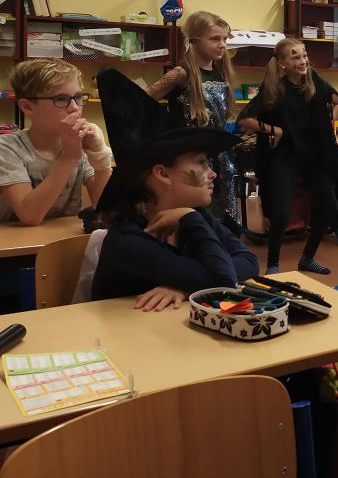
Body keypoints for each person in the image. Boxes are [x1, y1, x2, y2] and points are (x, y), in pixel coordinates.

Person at [89, 69, 258, 305]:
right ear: (163, 174)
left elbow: (249, 261)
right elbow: (222, 279)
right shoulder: (128, 239)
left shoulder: (195, 214)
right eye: (201, 163)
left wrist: (185, 285)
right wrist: (198, 279)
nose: (213, 173)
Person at [237, 39, 338, 275]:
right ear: (282, 63)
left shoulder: (314, 81)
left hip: (314, 155)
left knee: (329, 205)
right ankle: (273, 265)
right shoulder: (274, 89)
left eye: (304, 55)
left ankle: (307, 258)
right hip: (285, 154)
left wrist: (329, 119)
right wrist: (273, 130)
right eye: (295, 56)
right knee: (282, 212)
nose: (303, 60)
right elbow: (244, 119)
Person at [145, 11, 241, 232]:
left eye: (225, 39)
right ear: (194, 41)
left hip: (221, 159)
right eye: (215, 39)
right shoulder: (181, 73)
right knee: (195, 220)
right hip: (191, 160)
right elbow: (142, 99)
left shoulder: (220, 72)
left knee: (225, 221)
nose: (222, 45)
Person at [0, 59, 111, 224]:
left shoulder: (79, 142)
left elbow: (105, 209)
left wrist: (100, 158)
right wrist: (69, 158)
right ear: (27, 106)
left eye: (78, 97)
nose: (75, 107)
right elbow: (29, 216)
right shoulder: (7, 147)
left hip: (65, 237)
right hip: (18, 240)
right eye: (60, 99)